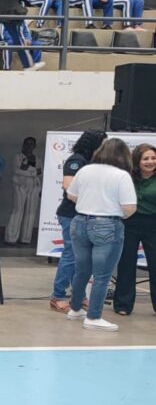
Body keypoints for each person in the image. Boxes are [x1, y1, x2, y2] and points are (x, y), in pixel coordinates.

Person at [65, 138, 136, 332]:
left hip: (80, 222)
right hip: (107, 225)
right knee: (102, 275)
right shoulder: (121, 176)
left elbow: (71, 195)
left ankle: (75, 307)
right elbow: (129, 207)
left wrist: (90, 202)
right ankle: (93, 316)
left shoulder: (85, 170)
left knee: (82, 270)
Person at [50, 130, 106, 313]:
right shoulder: (77, 160)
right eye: (102, 144)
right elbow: (68, 186)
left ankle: (79, 295)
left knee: (83, 257)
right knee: (70, 255)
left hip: (87, 214)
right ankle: (58, 295)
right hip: (71, 214)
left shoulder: (94, 163)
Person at [113, 143, 156, 316]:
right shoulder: (127, 178)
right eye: (146, 158)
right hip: (129, 224)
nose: (150, 162)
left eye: (153, 158)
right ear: (137, 161)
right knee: (126, 264)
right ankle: (123, 304)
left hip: (153, 224)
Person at [3, 137, 42, 245]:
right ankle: (11, 237)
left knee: (31, 212)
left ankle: (25, 238)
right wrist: (32, 171)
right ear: (23, 144)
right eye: (27, 143)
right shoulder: (18, 157)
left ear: (34, 146)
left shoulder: (37, 158)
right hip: (20, 185)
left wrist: (27, 169)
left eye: (31, 144)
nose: (29, 146)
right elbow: (17, 170)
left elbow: (40, 172)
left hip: (34, 186)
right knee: (17, 210)